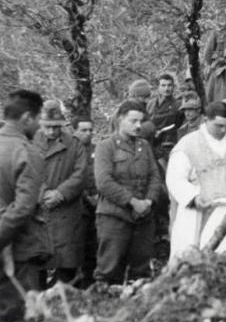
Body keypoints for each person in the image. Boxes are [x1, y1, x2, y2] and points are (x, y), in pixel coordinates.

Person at [166, 101, 226, 266]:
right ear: (206, 119)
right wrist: (193, 197)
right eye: (219, 126)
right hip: (196, 213)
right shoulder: (187, 145)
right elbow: (175, 179)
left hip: (225, 211)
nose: (224, 130)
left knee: (223, 258)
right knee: (191, 259)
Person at [94, 100, 162, 284]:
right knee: (109, 271)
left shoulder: (144, 146)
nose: (139, 126)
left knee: (141, 273)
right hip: (114, 217)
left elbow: (155, 177)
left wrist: (148, 201)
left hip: (143, 219)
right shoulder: (106, 146)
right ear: (119, 120)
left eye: (141, 121)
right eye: (133, 121)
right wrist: (132, 202)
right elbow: (103, 182)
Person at [0, 90, 51, 322]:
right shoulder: (28, 153)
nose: (40, 125)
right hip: (20, 251)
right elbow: (23, 207)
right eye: (39, 118)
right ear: (27, 118)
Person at [34, 100, 86, 285]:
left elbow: (80, 174)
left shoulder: (74, 144)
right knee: (35, 267)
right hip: (37, 212)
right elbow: (21, 172)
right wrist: (41, 194)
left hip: (66, 213)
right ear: (40, 124)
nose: (51, 132)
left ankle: (64, 307)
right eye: (47, 127)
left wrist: (60, 193)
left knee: (66, 265)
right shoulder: (29, 141)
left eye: (56, 127)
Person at [72, 116, 97, 288]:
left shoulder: (98, 149)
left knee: (94, 245)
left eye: (90, 130)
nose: (88, 134)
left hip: (99, 203)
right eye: (83, 130)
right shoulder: (69, 151)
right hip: (77, 205)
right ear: (74, 131)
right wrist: (87, 197)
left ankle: (90, 282)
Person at [147, 73, 184, 159]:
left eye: (169, 85)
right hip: (151, 142)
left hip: (168, 144)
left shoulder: (178, 105)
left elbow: (178, 126)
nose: (166, 88)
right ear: (158, 87)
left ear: (173, 87)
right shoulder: (151, 103)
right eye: (163, 85)